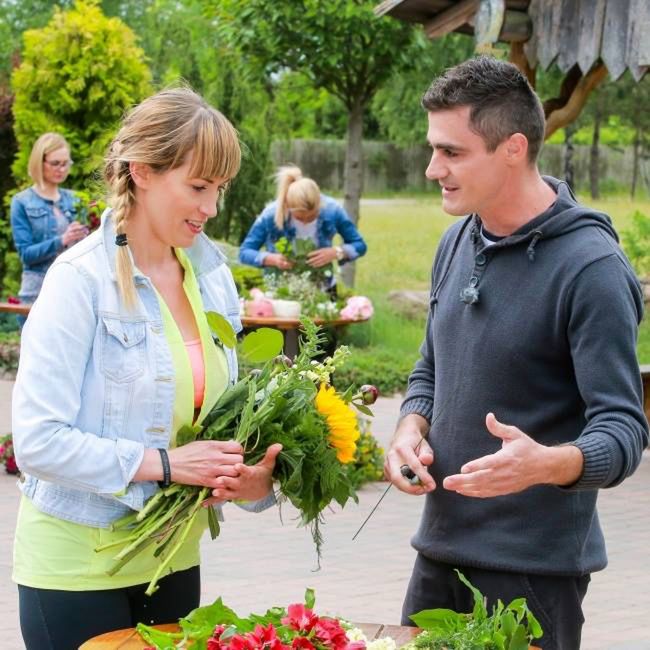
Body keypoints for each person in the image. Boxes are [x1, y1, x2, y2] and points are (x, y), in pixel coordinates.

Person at [384, 57, 648, 650]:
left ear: (513, 148)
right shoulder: (457, 239)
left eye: (452, 152)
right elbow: (431, 368)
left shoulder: (592, 269)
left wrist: (546, 463)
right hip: (438, 555)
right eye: (434, 149)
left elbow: (625, 429)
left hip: (534, 575)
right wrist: (409, 425)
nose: (433, 169)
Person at [11, 88, 282, 650]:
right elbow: (37, 443)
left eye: (220, 189)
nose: (211, 208)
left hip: (173, 560)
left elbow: (218, 421)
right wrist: (162, 463)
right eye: (198, 187)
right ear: (142, 172)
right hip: (75, 568)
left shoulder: (212, 277)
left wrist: (252, 479)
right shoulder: (78, 281)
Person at [10, 133, 89, 323]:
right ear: (40, 162)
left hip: (72, 290)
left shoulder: (76, 200)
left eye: (66, 163)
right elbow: (26, 254)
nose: (61, 169)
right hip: (36, 293)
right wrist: (62, 240)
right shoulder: (21, 202)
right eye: (55, 163)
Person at [238, 165, 367, 276]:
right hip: (280, 287)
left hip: (323, 284)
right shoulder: (271, 214)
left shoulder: (333, 210)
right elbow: (244, 253)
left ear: (320, 204)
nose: (305, 222)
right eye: (299, 218)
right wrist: (271, 259)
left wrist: (337, 252)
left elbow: (360, 245)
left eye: (312, 217)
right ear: (288, 205)